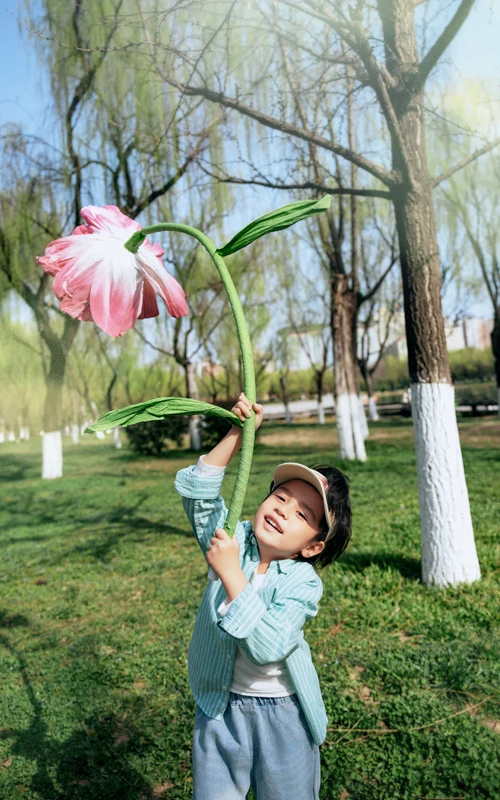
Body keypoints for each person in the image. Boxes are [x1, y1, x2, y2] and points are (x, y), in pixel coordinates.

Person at [174, 393, 352, 800]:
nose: (284, 510)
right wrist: (238, 434)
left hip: (283, 716)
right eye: (280, 496)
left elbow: (268, 647)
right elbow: (198, 496)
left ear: (312, 546)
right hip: (219, 707)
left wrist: (231, 573)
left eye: (302, 514)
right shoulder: (234, 539)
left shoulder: (303, 584)